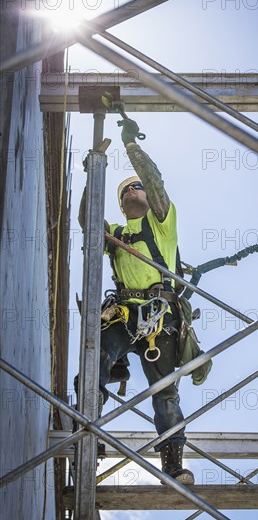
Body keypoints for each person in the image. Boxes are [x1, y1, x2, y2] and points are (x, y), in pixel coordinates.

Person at [76, 118, 195, 485]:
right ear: (121, 203)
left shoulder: (162, 222)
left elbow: (155, 183)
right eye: (126, 189)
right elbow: (88, 221)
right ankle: (89, 441)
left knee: (165, 391)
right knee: (93, 361)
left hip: (161, 318)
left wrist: (131, 148)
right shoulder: (115, 233)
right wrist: (93, 172)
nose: (134, 190)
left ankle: (173, 463)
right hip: (125, 316)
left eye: (137, 187)